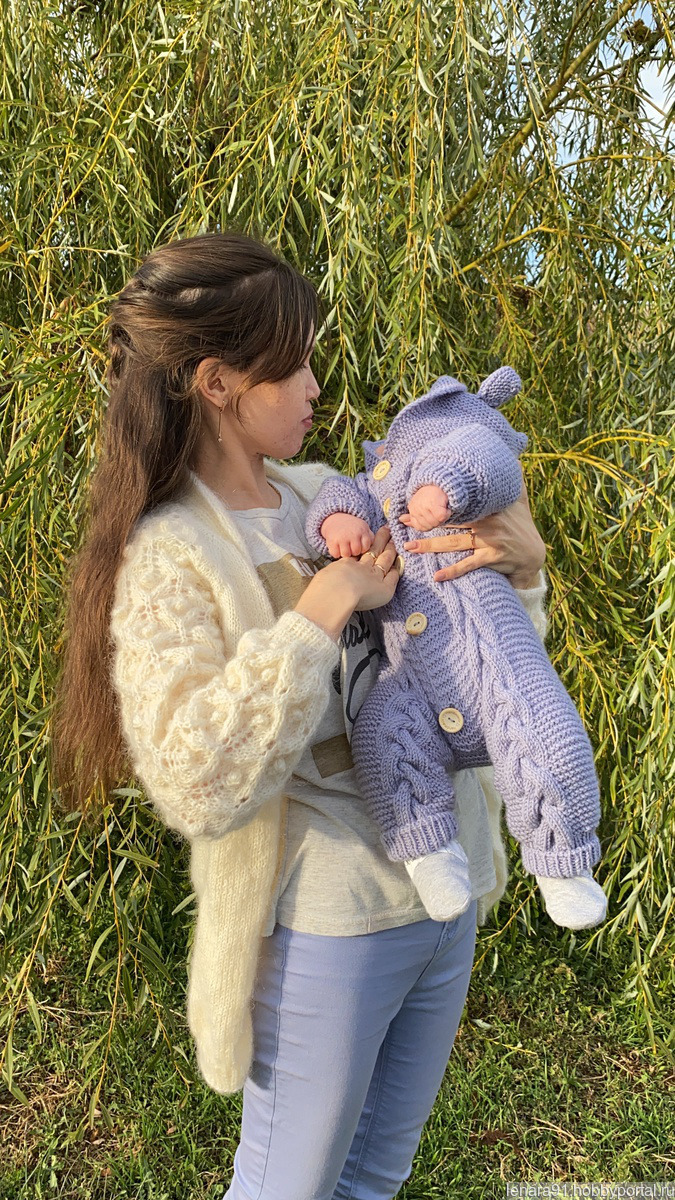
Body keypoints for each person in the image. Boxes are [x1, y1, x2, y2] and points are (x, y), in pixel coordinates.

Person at [50, 230, 549, 1200]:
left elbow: (478, 668)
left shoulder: (331, 496)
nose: (318, 386)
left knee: (376, 1177)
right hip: (328, 924)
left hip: (444, 899)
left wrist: (519, 575)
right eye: (295, 365)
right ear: (219, 383)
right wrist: (320, 612)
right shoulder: (170, 554)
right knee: (288, 1185)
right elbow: (197, 780)